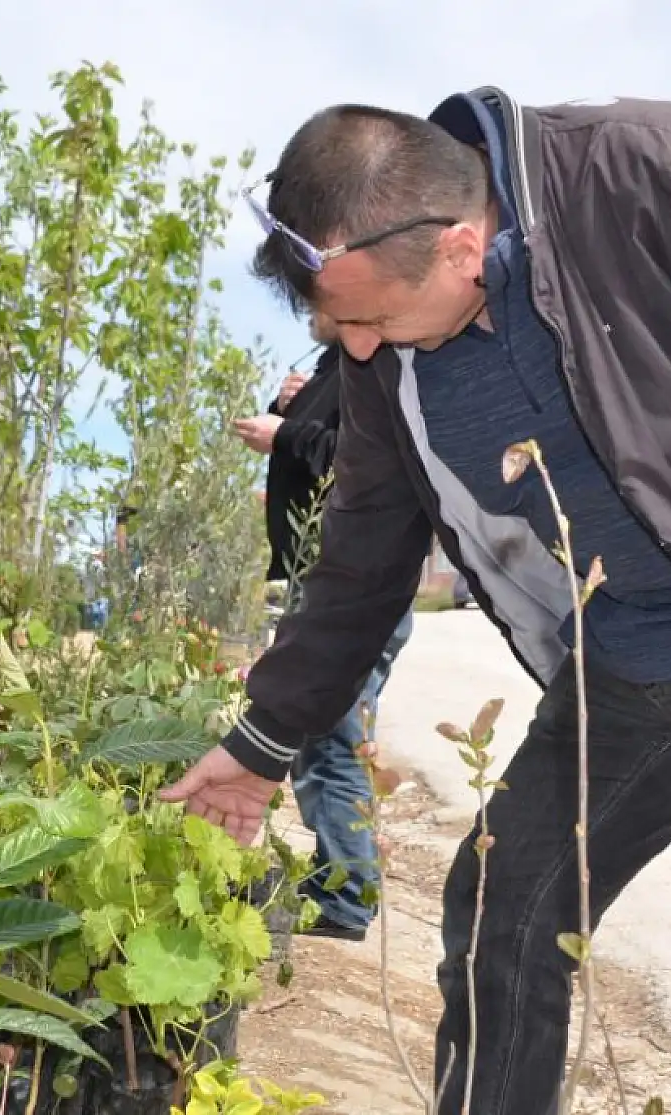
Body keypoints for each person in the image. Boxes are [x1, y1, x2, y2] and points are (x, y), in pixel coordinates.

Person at [163, 89, 671, 1115]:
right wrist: (261, 741)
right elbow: (361, 554)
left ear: (460, 247)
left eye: (368, 321)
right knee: (500, 914)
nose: (358, 352)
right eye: (339, 328)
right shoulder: (384, 358)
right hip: (622, 661)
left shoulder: (647, 174)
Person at [233, 318, 413, 942]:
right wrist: (289, 408)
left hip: (354, 591)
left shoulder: (380, 362)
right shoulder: (338, 363)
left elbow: (365, 461)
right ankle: (334, 879)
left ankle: (346, 898)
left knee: (336, 740)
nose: (308, 304)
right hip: (324, 583)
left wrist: (286, 432)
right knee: (321, 738)